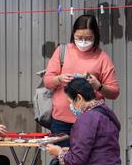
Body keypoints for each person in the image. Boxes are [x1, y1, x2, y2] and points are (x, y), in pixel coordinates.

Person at [43, 14, 120, 148]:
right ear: (73, 34)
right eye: (79, 37)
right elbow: (47, 82)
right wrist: (59, 78)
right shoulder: (62, 51)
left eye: (88, 38)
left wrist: (98, 86)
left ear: (95, 36)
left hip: (90, 121)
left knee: (85, 163)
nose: (83, 42)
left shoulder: (102, 58)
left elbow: (114, 92)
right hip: (61, 121)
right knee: (61, 162)